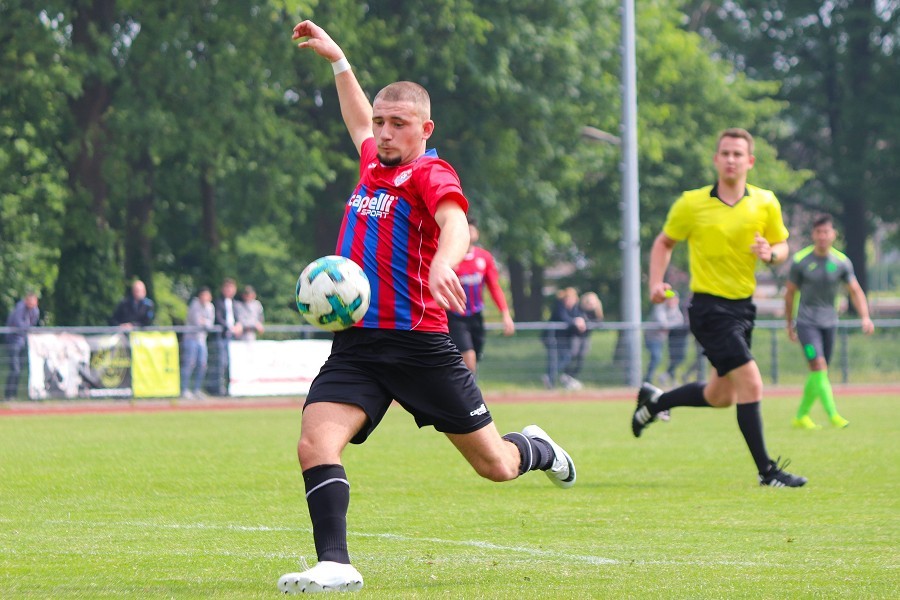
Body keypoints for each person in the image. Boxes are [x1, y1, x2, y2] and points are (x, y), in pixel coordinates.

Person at [279, 20, 575, 594]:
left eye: (399, 124)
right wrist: (340, 61)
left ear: (424, 129)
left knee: (496, 466)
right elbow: (358, 119)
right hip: (359, 345)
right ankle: (336, 564)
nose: (385, 132)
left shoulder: (431, 172)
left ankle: (536, 446)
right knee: (315, 441)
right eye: (383, 123)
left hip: (420, 347)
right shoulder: (372, 163)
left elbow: (454, 222)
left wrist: (445, 260)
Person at [632, 127, 807, 488]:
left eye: (738, 154)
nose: (731, 159)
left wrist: (771, 254)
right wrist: (654, 283)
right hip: (709, 309)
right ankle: (768, 472)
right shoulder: (692, 203)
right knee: (752, 383)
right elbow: (664, 243)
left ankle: (655, 400)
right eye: (725, 153)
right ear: (716, 159)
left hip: (744, 309)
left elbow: (782, 245)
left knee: (720, 395)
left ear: (750, 161)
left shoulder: (765, 202)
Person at [784, 214, 874, 430]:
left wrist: (865, 317)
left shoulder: (841, 262)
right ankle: (833, 415)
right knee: (818, 365)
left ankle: (801, 416)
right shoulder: (800, 261)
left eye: (826, 232)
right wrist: (789, 323)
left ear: (833, 234)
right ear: (813, 235)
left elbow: (855, 291)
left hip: (829, 323)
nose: (822, 236)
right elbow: (789, 294)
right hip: (806, 323)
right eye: (818, 232)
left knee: (819, 372)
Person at [447, 217, 515, 374]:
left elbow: (494, 287)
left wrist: (505, 314)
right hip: (455, 316)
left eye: (472, 228)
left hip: (476, 316)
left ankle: (464, 391)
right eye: (466, 228)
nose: (470, 232)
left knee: (473, 362)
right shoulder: (450, 257)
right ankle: (469, 397)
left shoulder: (484, 257)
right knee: (468, 360)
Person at [541, 287, 587, 390]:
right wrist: (575, 321)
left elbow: (579, 316)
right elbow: (563, 318)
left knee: (566, 357)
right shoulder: (559, 306)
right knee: (555, 359)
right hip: (552, 338)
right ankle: (550, 380)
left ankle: (550, 378)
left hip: (563, 339)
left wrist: (580, 320)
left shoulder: (575, 308)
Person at [562, 291, 604, 389]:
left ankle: (571, 377)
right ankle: (566, 374)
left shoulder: (596, 310)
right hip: (576, 335)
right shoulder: (579, 308)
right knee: (573, 354)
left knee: (581, 357)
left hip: (585, 337)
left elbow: (600, 322)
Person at [4, 292, 40, 400]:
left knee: (19, 369)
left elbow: (32, 323)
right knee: (15, 369)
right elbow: (19, 324)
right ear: (26, 301)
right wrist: (27, 328)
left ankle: (13, 395)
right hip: (13, 341)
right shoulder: (20, 309)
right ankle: (8, 395)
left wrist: (28, 329)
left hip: (23, 342)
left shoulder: (34, 310)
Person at [643, 291, 684, 386]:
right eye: (670, 299)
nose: (672, 301)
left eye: (674, 299)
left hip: (662, 338)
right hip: (652, 337)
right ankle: (647, 379)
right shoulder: (660, 307)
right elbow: (663, 324)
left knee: (674, 358)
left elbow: (680, 321)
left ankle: (668, 378)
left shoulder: (675, 308)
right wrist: (672, 324)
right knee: (656, 357)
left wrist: (670, 325)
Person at [181, 286, 215, 399]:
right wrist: (205, 322)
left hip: (202, 340)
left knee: (202, 365)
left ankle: (197, 389)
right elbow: (197, 322)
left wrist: (204, 322)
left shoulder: (210, 307)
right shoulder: (194, 304)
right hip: (191, 339)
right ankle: (184, 389)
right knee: (190, 364)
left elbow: (210, 324)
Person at [211, 278, 243, 396]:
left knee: (233, 364)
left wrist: (239, 325)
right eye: (227, 288)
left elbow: (239, 318)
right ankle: (220, 389)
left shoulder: (236, 303)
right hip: (223, 336)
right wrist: (230, 327)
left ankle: (232, 388)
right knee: (222, 363)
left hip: (234, 338)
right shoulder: (218, 302)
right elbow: (218, 318)